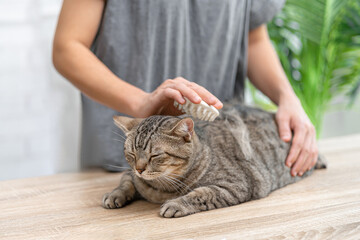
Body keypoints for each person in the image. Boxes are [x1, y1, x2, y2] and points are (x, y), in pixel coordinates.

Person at [53, 0, 318, 177]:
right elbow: (68, 47)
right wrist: (141, 102)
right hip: (120, 168)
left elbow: (253, 38)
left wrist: (287, 97)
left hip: (219, 168)